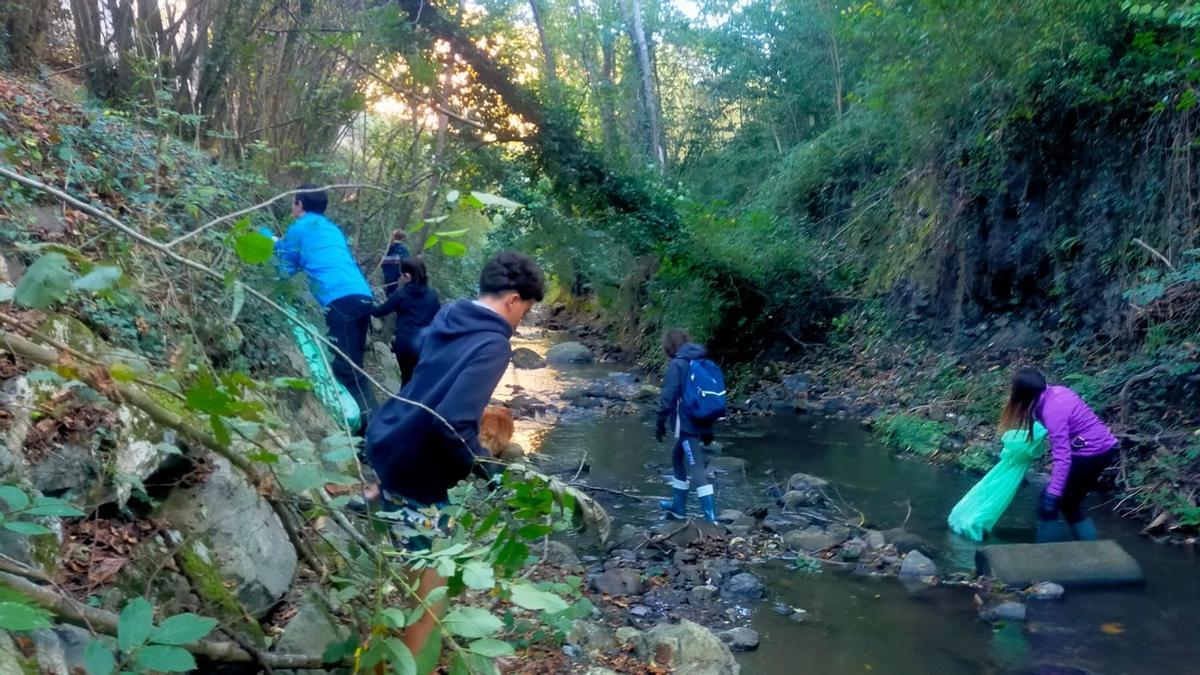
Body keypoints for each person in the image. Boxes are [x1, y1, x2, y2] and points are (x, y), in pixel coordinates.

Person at [364, 250, 545, 659]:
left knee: (401, 576)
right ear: (513, 300)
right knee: (430, 598)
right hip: (417, 474)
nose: (522, 322)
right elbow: (450, 422)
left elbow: (427, 382)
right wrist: (484, 468)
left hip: (388, 441)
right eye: (526, 310)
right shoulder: (493, 344)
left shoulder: (450, 315)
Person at [272, 184, 377, 418]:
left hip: (338, 299)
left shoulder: (299, 228)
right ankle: (373, 433)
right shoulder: (332, 229)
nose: (292, 205)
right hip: (361, 294)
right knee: (355, 367)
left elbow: (283, 270)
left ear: (299, 204)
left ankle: (370, 440)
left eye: (293, 201)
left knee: (346, 370)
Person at [999, 367, 1118, 542]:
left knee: (1049, 503)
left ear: (1023, 393)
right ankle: (1090, 549)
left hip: (1093, 453)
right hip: (1103, 448)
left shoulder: (1052, 411)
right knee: (1069, 504)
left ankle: (1046, 554)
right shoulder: (1056, 391)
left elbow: (1063, 457)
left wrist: (1053, 493)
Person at [655, 329, 720, 523]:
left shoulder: (678, 364)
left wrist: (660, 422)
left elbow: (668, 396)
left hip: (686, 423)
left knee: (696, 467)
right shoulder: (700, 361)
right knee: (677, 456)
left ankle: (711, 517)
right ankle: (678, 507)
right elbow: (711, 395)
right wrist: (709, 428)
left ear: (669, 345)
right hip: (701, 419)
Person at [370, 256, 440, 386]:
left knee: (407, 379)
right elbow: (438, 319)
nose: (399, 277)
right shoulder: (433, 296)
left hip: (406, 344)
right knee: (418, 380)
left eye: (400, 274)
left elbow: (379, 312)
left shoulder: (402, 294)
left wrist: (365, 302)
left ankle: (403, 404)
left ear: (407, 276)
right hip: (425, 344)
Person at [380, 229, 411, 296]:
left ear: (393, 237)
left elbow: (382, 262)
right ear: (403, 238)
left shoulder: (388, 248)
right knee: (392, 291)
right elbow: (406, 262)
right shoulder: (403, 250)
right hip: (396, 275)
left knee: (387, 290)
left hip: (386, 274)